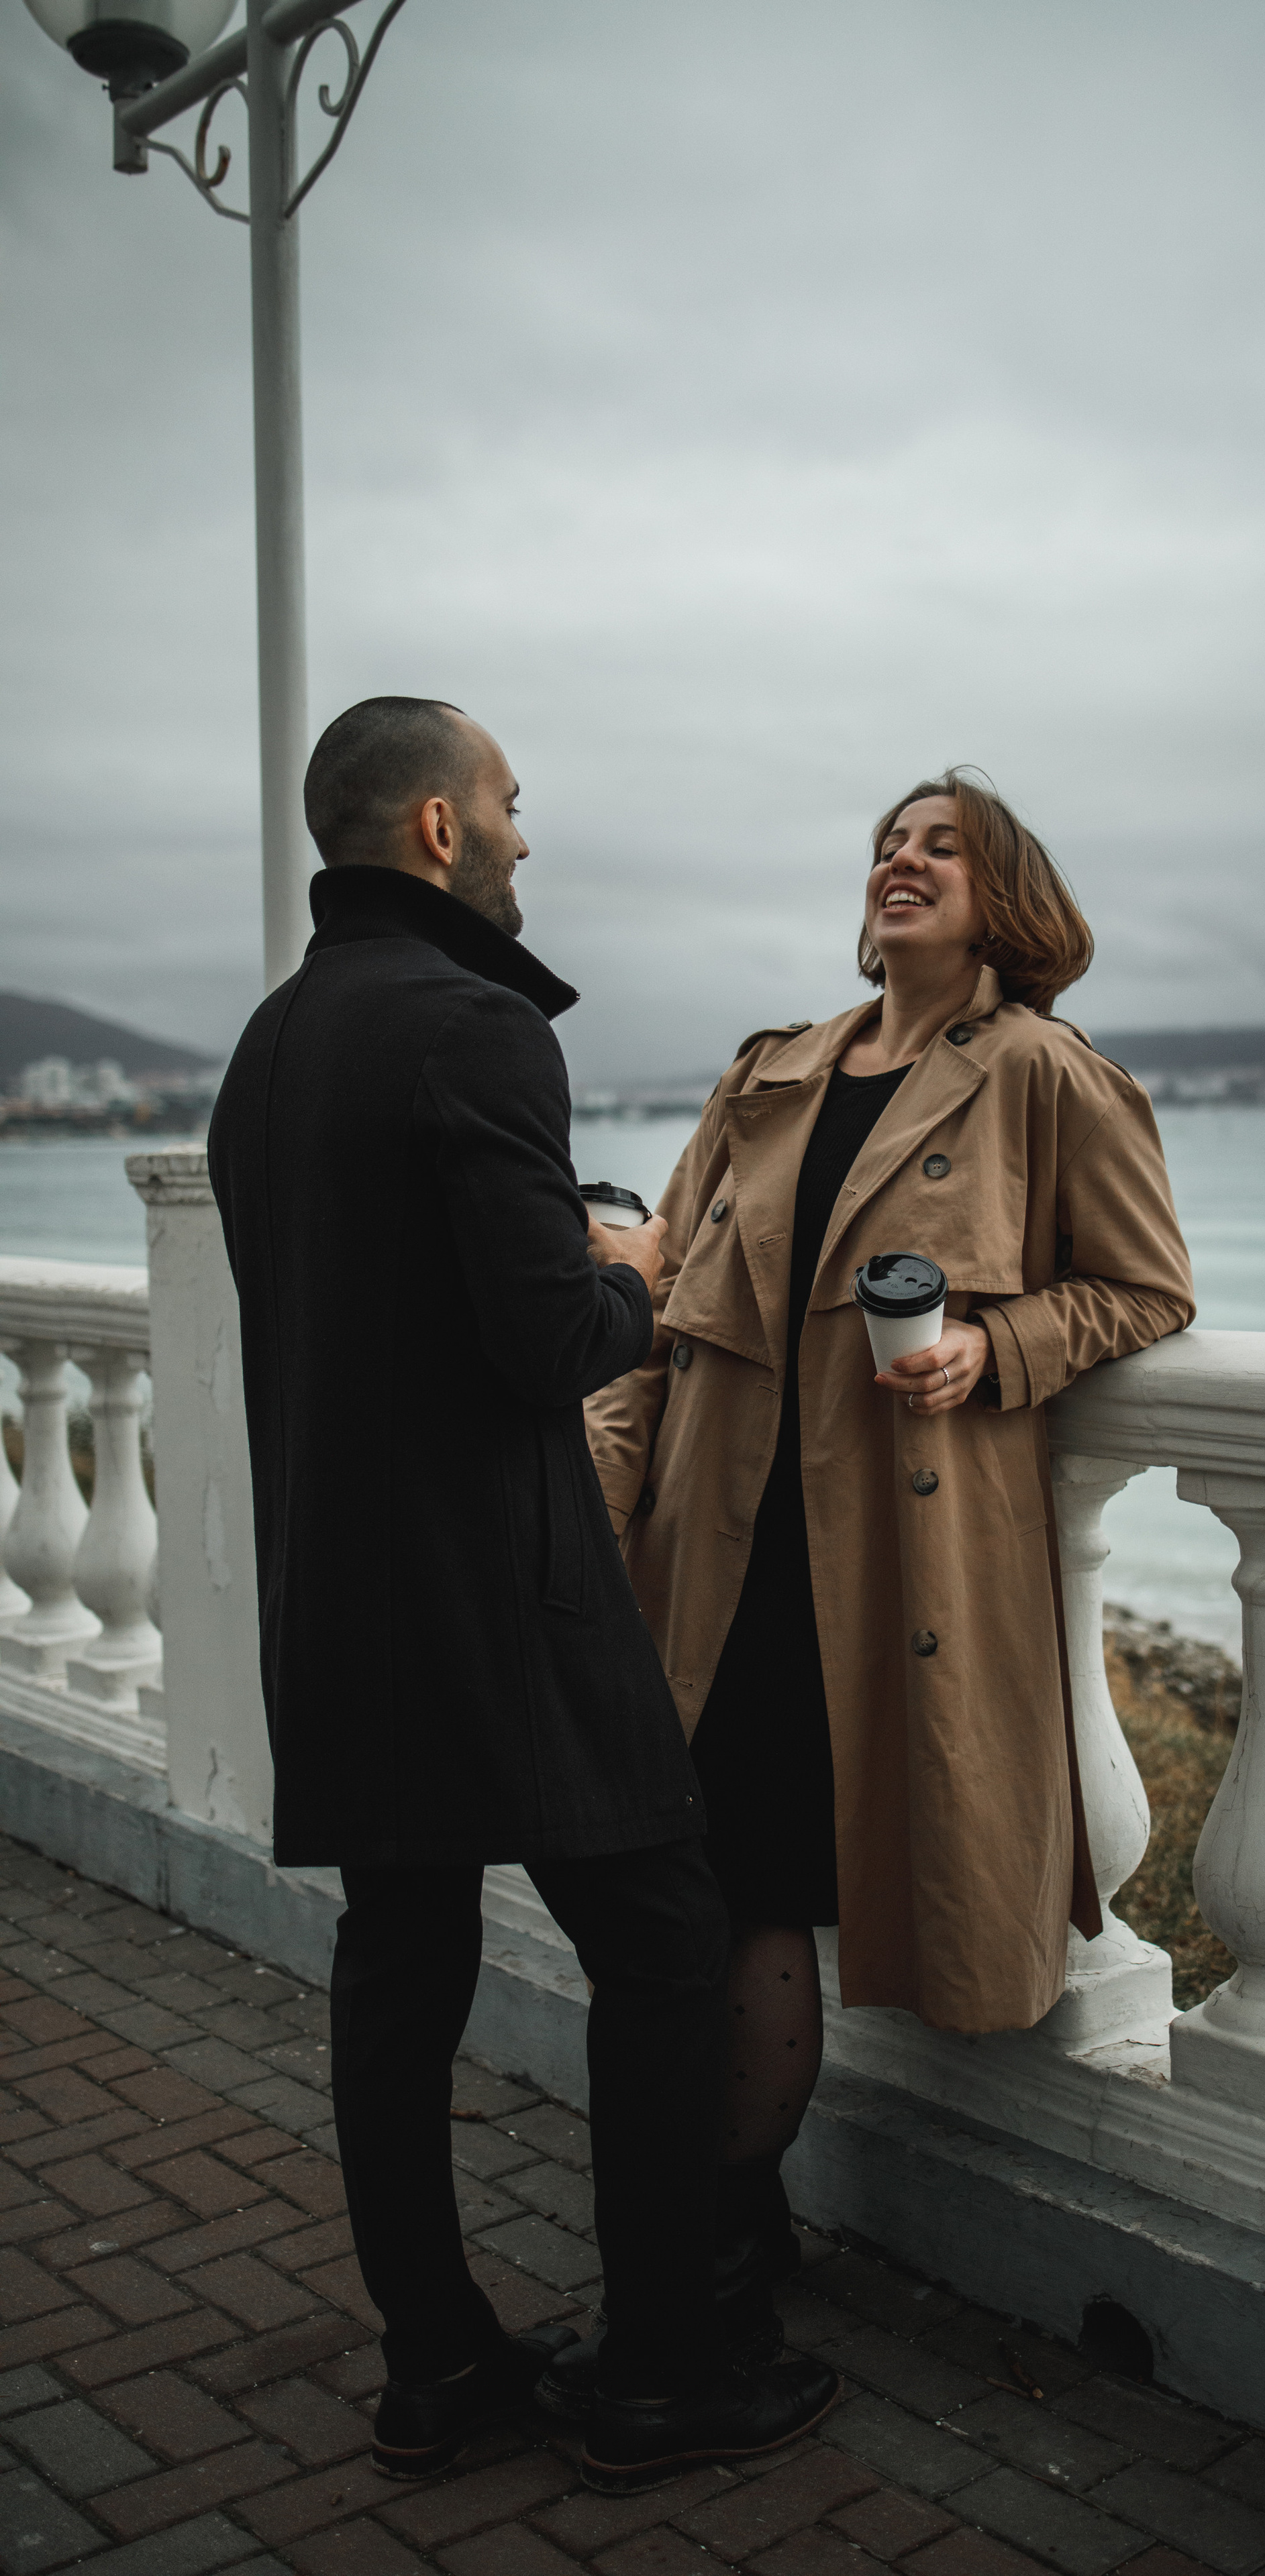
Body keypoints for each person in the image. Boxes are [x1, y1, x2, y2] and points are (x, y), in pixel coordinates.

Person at [207, 696, 838, 2493]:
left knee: (400, 1964)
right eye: (505, 805)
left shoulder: (271, 1046)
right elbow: (544, 1340)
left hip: (343, 1592)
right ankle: (663, 2370)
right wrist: (634, 1265)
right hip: (511, 1598)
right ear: (430, 832)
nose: (522, 838)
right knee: (658, 1935)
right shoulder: (475, 1029)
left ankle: (440, 2366)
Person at [556, 767, 1195, 2388]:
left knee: (758, 1883)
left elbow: (1142, 1289)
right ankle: (718, 2241)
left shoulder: (1045, 1075)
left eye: (941, 847)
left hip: (878, 1563)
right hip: (707, 1548)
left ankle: (713, 2244)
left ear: (1006, 899)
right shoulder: (767, 1074)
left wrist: (993, 1344)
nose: (900, 864)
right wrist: (589, 1498)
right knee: (680, 1890)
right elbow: (666, 1302)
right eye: (886, 846)